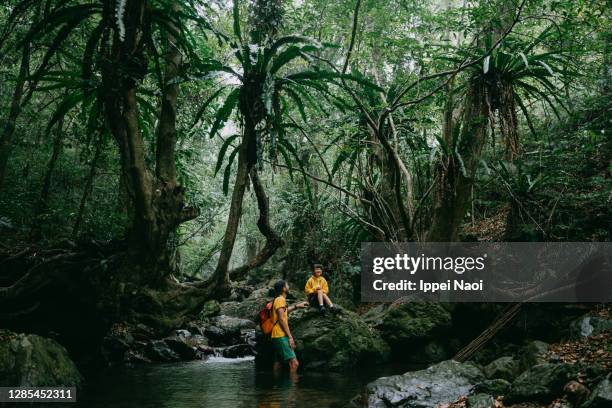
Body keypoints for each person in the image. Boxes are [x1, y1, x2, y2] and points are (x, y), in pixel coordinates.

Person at [270, 280, 308, 372]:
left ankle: (276, 385)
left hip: (276, 335)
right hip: (280, 335)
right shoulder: (280, 299)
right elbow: (281, 319)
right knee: (294, 363)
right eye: (287, 285)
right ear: (283, 288)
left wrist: (296, 306)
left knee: (278, 362)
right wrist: (290, 337)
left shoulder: (278, 299)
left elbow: (284, 312)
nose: (288, 287)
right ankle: (291, 386)